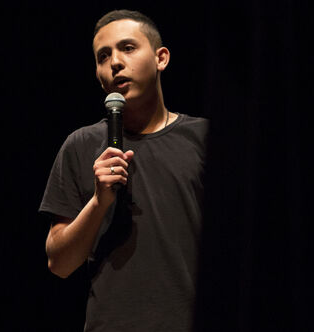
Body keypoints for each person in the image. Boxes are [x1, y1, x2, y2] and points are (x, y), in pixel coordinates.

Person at [39, 9, 209, 331]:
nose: (115, 62)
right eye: (103, 56)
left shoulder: (203, 138)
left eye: (127, 48)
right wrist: (98, 201)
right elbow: (59, 263)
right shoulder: (80, 145)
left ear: (161, 58)